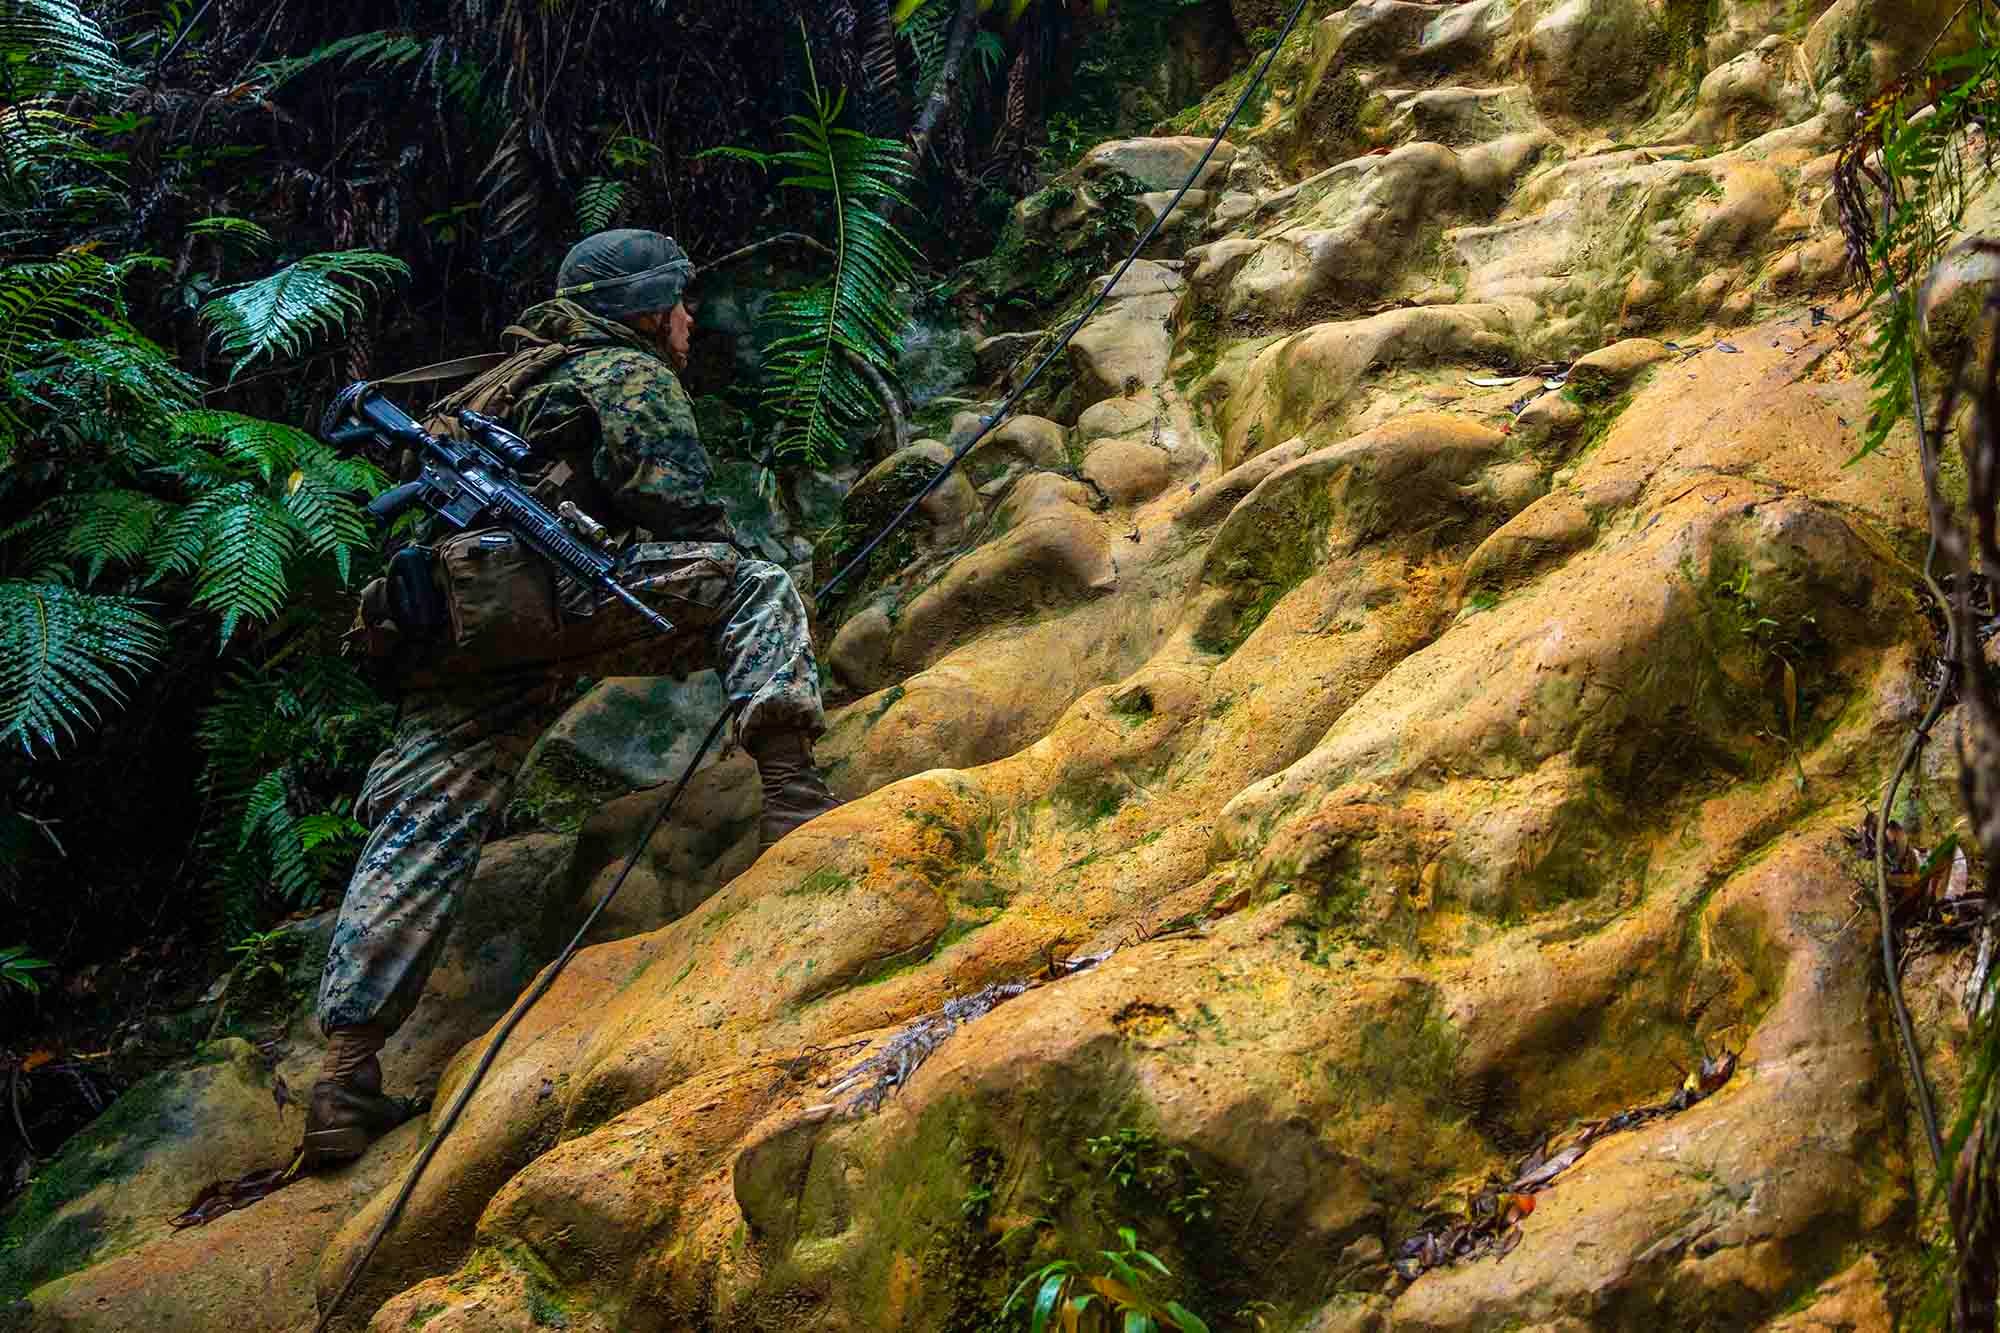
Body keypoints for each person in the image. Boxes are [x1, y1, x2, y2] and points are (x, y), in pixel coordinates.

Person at [300, 229, 842, 1168]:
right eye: (676, 302)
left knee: (420, 817)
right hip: (565, 594)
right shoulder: (626, 374)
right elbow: (679, 508)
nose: (687, 319)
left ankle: (344, 1077)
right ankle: (793, 803)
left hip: (464, 629)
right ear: (638, 309)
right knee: (750, 582)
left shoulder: (498, 384)